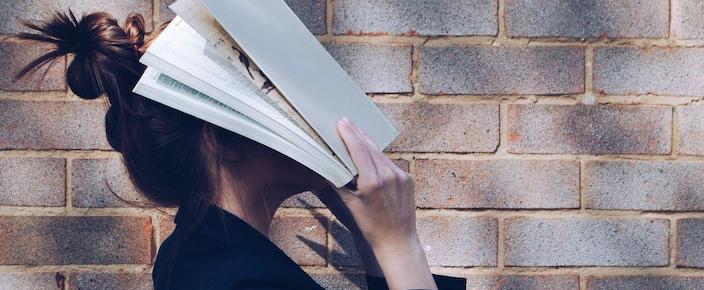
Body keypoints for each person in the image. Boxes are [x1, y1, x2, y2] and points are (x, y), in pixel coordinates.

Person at [14, 10, 466, 290]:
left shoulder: (204, 257)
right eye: (275, 92)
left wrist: (373, 243)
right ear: (223, 137)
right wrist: (401, 246)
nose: (306, 106)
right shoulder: (237, 280)